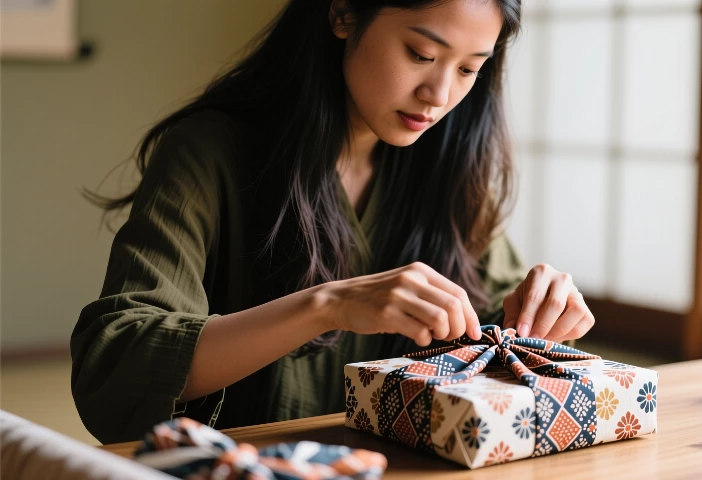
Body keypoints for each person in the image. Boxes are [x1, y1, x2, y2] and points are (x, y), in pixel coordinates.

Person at [71, 0, 595, 445]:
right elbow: (119, 360)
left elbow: (498, 337)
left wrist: (540, 316)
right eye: (421, 54)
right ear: (343, 12)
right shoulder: (209, 152)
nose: (439, 94)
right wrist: (328, 305)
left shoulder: (448, 167)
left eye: (468, 68)